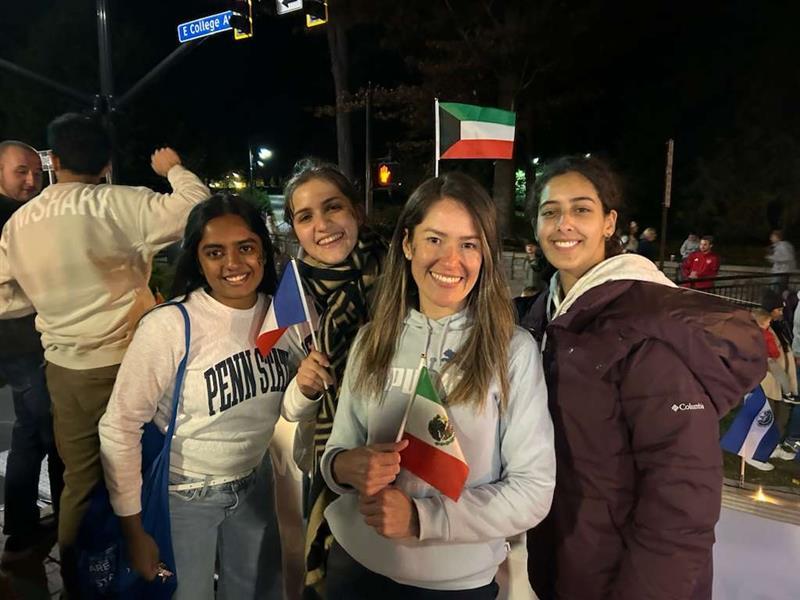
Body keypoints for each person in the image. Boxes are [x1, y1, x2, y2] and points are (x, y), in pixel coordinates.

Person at [521, 156, 765, 600]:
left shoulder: (646, 325)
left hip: (631, 579)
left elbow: (682, 496)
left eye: (581, 209)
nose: (563, 224)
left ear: (609, 222)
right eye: (549, 211)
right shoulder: (544, 318)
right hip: (565, 563)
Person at [316, 172, 555, 598]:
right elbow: (337, 452)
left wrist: (422, 519)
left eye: (469, 244)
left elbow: (533, 492)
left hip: (455, 585)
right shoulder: (373, 339)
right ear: (407, 244)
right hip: (356, 568)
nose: (451, 261)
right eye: (434, 239)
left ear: (485, 255)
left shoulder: (513, 350)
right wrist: (344, 466)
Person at [0, 113, 209, 594]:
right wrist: (173, 167)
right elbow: (197, 209)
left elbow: (6, 293)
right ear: (106, 160)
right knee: (145, 464)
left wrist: (45, 300)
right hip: (131, 361)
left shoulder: (18, 223)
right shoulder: (122, 203)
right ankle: (147, 558)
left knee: (79, 479)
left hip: (66, 369)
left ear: (53, 160)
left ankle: (79, 578)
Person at [98, 194, 322, 599]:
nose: (234, 264)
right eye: (215, 252)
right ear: (197, 260)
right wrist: (133, 529)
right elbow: (120, 426)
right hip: (185, 495)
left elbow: (288, 411)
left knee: (254, 592)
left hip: (255, 484)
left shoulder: (285, 316)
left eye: (246, 248)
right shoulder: (171, 326)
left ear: (263, 252)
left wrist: (305, 389)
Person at [279, 159, 387, 597]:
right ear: (295, 228)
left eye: (333, 207)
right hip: (329, 462)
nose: (322, 225)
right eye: (305, 217)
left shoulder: (398, 273)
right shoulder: (291, 299)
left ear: (356, 212)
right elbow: (287, 412)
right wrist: (303, 386)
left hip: (398, 449)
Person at [0, 140, 64, 563]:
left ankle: (23, 528)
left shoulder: (24, 214)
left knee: (30, 433)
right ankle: (58, 527)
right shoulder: (10, 220)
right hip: (25, 345)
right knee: (49, 434)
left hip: (25, 344)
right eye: (20, 172)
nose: (30, 180)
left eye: (35, 173)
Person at [749, 309, 797, 471]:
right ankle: (754, 453)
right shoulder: (759, 332)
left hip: (780, 380)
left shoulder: (776, 326)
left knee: (780, 415)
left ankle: (771, 447)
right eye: (777, 309)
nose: (781, 311)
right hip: (768, 379)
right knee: (765, 416)